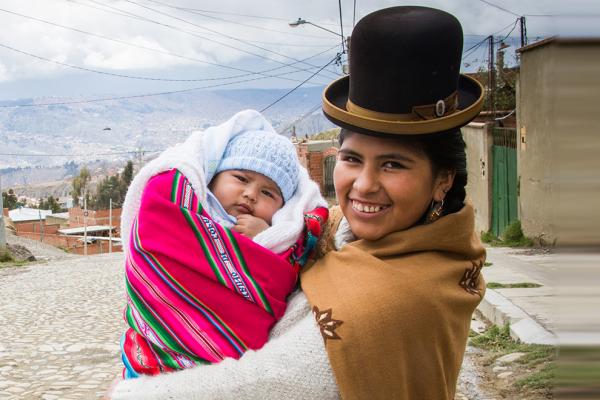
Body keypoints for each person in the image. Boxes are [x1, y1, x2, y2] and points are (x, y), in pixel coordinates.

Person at [109, 6, 486, 399]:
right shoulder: (373, 237)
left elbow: (265, 384)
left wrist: (129, 393)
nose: (364, 185)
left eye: (393, 164)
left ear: (442, 180)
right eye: (352, 159)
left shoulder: (394, 298)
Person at [119, 110, 328, 377]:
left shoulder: (277, 234)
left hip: (231, 361)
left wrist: (265, 238)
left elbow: (279, 274)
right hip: (157, 352)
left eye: (268, 193)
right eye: (241, 179)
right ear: (214, 177)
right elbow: (152, 255)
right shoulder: (187, 208)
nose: (250, 194)